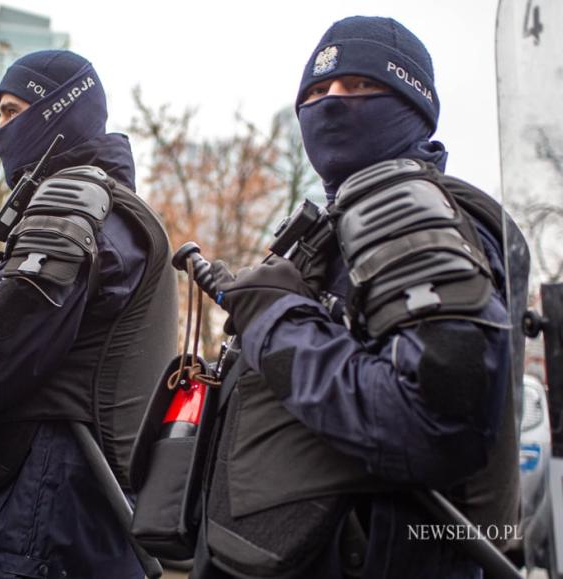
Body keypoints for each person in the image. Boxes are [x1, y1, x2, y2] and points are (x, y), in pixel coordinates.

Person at [193, 16, 521, 579]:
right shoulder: (344, 225)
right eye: (316, 92)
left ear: (412, 106)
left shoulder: (406, 213)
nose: (331, 103)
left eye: (359, 87)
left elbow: (434, 421)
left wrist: (275, 319)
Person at [0, 49, 177, 578]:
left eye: (11, 111)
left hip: (32, 509)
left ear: (57, 112)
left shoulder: (72, 206)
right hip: (77, 506)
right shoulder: (112, 208)